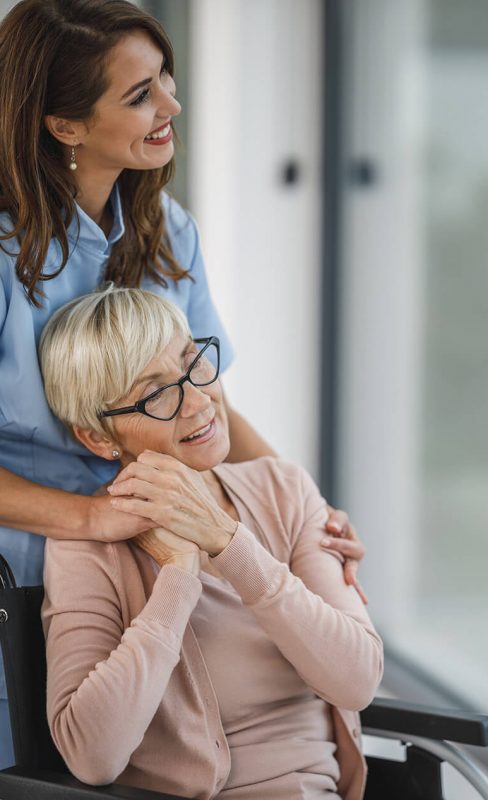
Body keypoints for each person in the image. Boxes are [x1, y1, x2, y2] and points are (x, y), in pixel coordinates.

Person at [0, 0, 364, 768]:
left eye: (165, 77)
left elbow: (206, 398)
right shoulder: (4, 261)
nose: (170, 103)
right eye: (138, 95)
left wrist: (307, 510)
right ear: (63, 125)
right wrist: (96, 521)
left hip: (163, 545)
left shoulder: (167, 228)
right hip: (40, 565)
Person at [38, 285, 382, 800]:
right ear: (98, 437)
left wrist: (226, 543)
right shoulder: (86, 549)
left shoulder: (283, 489)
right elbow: (91, 755)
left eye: (195, 363)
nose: (200, 401)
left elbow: (357, 679)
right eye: (156, 393)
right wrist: (177, 575)